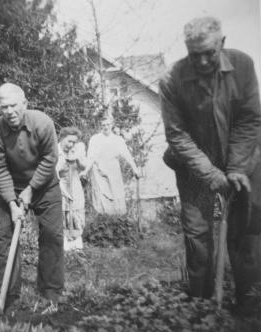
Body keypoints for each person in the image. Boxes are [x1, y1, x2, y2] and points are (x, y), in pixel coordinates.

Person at [160, 16, 261, 310]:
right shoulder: (171, 79)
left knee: (247, 230)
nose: (203, 62)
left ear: (222, 44)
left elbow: (249, 119)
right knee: (198, 234)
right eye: (195, 55)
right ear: (186, 50)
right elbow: (177, 136)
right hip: (192, 166)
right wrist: (210, 173)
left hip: (242, 161)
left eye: (209, 53)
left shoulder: (242, 66)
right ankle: (201, 304)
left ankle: (249, 300)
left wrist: (237, 167)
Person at [0, 83, 64, 312]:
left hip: (45, 186)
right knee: (4, 238)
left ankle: (50, 293)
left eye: (13, 105)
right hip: (11, 187)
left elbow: (50, 158)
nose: (9, 111)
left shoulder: (42, 123)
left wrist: (30, 190)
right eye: (3, 107)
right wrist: (11, 201)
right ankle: (6, 295)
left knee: (52, 236)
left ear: (25, 104)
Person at [86, 116, 140, 215]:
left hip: (113, 170)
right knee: (102, 196)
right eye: (103, 125)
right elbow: (91, 157)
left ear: (112, 125)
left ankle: (117, 219)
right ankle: (102, 220)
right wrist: (85, 171)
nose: (106, 127)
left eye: (108, 124)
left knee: (116, 194)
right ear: (100, 126)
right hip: (99, 172)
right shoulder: (95, 139)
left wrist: (135, 168)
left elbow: (126, 154)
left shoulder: (118, 139)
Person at [56, 127, 88, 251]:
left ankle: (76, 240)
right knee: (63, 212)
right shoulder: (55, 150)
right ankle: (65, 242)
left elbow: (83, 167)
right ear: (62, 138)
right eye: (69, 141)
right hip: (60, 185)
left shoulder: (76, 150)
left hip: (75, 185)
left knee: (77, 210)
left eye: (74, 142)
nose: (71, 144)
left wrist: (77, 157)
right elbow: (54, 171)